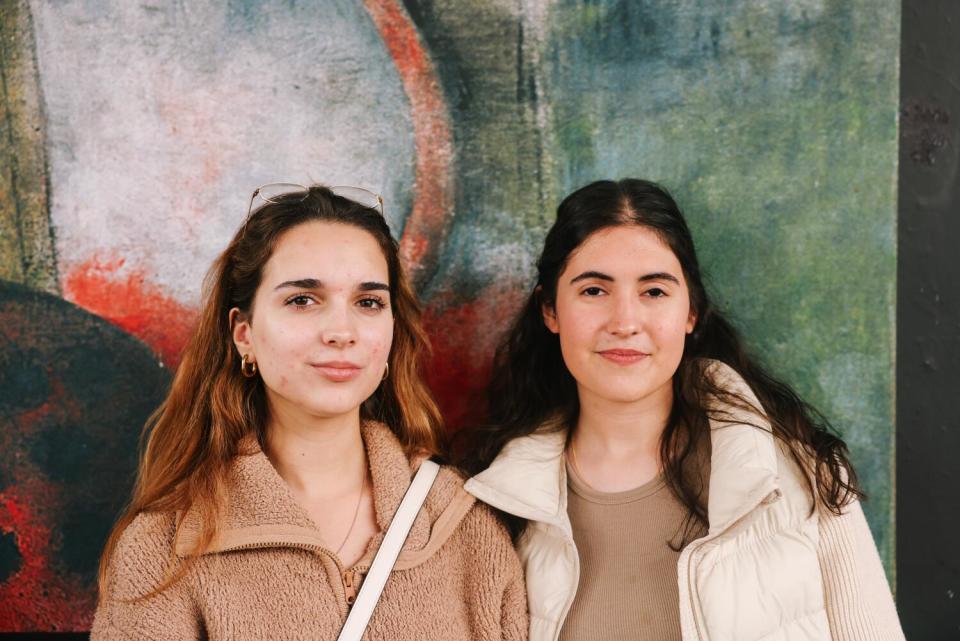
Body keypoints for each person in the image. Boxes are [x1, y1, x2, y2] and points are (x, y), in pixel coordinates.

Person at [458, 179, 905, 641]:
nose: (625, 323)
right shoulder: (494, 504)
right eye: (594, 291)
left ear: (691, 311)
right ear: (550, 310)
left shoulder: (801, 475)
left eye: (654, 292)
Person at [92, 184, 527, 640]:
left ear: (392, 331)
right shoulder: (164, 548)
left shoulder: (463, 525)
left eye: (368, 302)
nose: (342, 331)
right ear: (244, 334)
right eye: (302, 300)